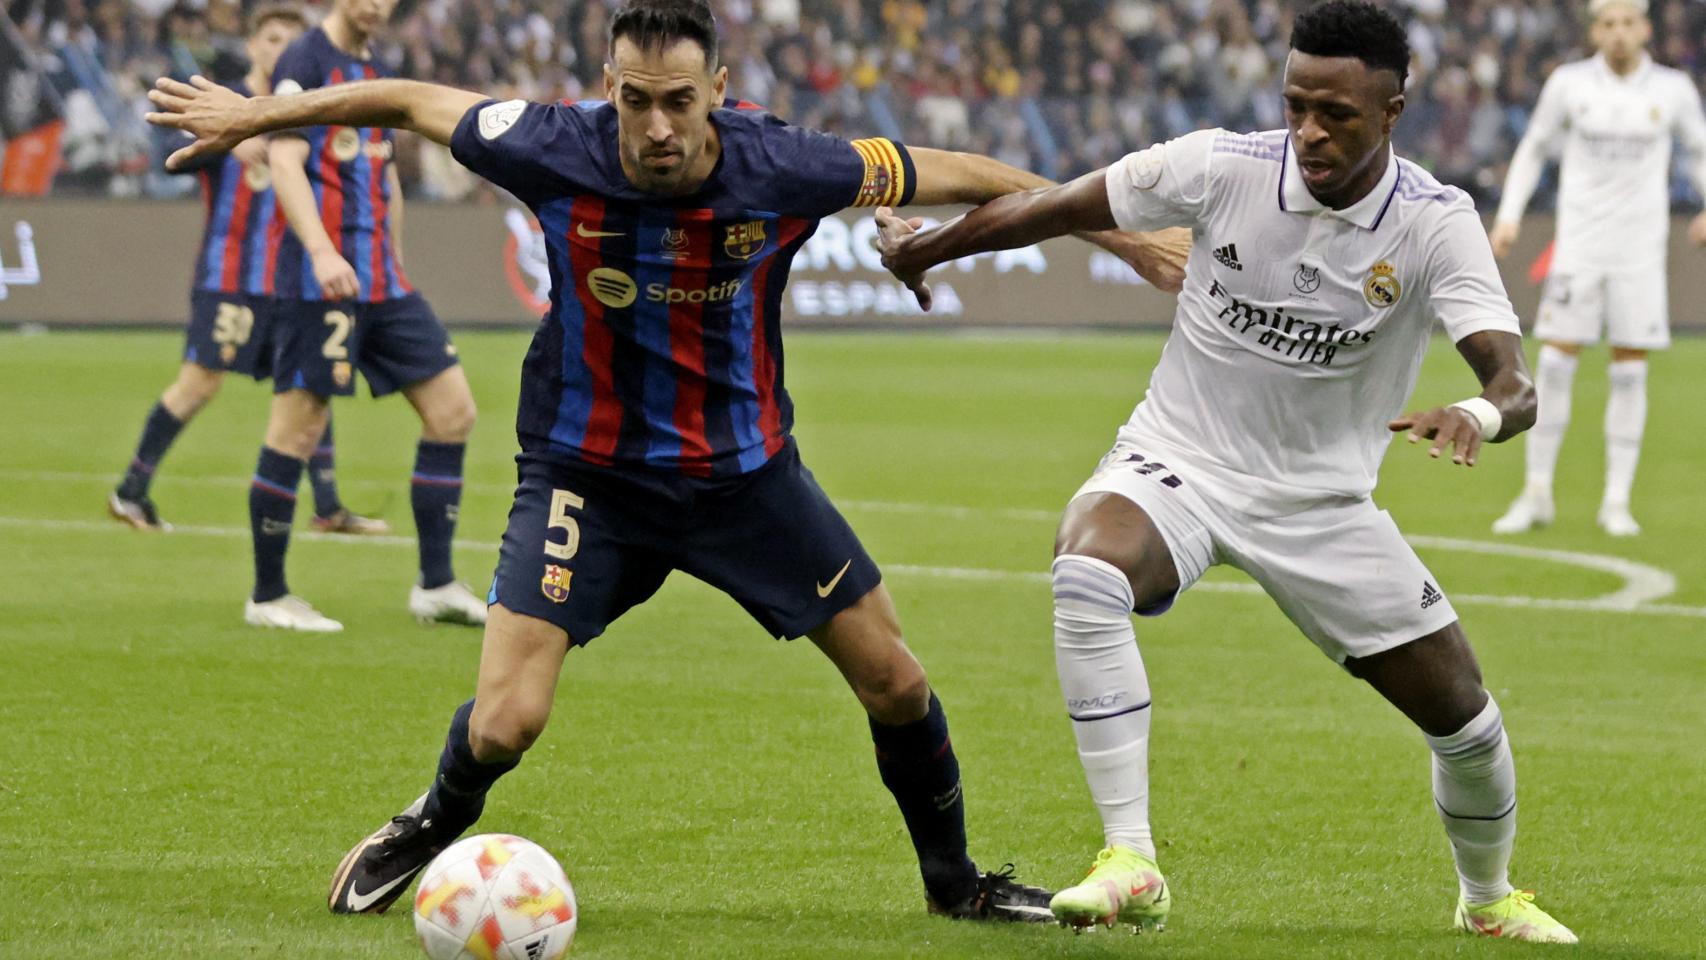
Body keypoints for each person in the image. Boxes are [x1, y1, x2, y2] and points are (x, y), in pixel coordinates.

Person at [144, 0, 1192, 923]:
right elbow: (408, 99)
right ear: (606, 87)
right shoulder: (547, 144)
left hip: (745, 479)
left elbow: (975, 175)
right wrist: (254, 115)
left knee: (894, 680)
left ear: (717, 92)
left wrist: (1127, 237)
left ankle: (953, 882)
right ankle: (426, 824)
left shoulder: (788, 165)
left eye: (678, 101)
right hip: (584, 477)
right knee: (506, 723)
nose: (654, 125)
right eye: (635, 98)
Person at [873, 0, 1577, 943]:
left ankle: (1488, 900)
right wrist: (927, 246)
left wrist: (1477, 413)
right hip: (1182, 462)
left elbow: (1515, 384)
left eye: (1339, 115)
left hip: (1321, 503)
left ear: (1394, 112)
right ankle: (1131, 859)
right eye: (1296, 105)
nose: (1310, 133)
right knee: (1088, 566)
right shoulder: (1220, 166)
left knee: (1467, 721)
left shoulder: (1434, 223)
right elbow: (1051, 206)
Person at [248, 0, 486, 632]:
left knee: (453, 410)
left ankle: (435, 585)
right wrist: (323, 251)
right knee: (298, 429)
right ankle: (268, 594)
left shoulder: (372, 65)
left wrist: (397, 260)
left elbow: (385, 176)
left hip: (383, 282)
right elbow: (284, 161)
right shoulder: (305, 58)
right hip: (318, 280)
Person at [108, 4, 387, 540]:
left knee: (309, 388)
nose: (281, 48)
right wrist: (227, 143)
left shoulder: (305, 108)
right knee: (199, 384)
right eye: (272, 38)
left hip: (289, 279)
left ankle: (327, 506)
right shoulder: (225, 107)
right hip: (232, 278)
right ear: (255, 46)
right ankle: (131, 490)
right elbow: (169, 152)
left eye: (291, 39)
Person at [1488, 0, 1706, 537]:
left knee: (1629, 370)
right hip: (1579, 247)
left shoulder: (1671, 90)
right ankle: (1536, 492)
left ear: (1645, 28)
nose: (1618, 34)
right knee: (1556, 365)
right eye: (1608, 24)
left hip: (1639, 252)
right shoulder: (1569, 83)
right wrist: (1510, 217)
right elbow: (1534, 147)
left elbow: (1699, 152)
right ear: (1596, 30)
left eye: (1628, 23)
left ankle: (1616, 501)